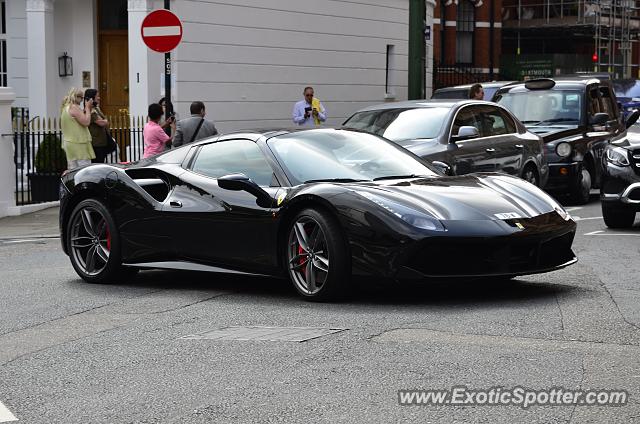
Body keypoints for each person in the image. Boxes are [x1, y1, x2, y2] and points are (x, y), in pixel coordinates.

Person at [61, 87, 95, 170]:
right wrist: (87, 108)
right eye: (81, 98)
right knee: (84, 170)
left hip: (70, 143)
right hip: (78, 143)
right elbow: (86, 122)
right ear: (76, 97)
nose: (82, 100)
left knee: (72, 170)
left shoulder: (65, 108)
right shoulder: (74, 107)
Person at [84, 89, 110, 163]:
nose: (99, 98)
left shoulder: (96, 109)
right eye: (97, 96)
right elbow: (101, 122)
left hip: (102, 142)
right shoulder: (89, 111)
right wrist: (104, 121)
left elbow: (105, 120)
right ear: (91, 98)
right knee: (97, 164)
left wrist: (104, 121)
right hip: (95, 144)